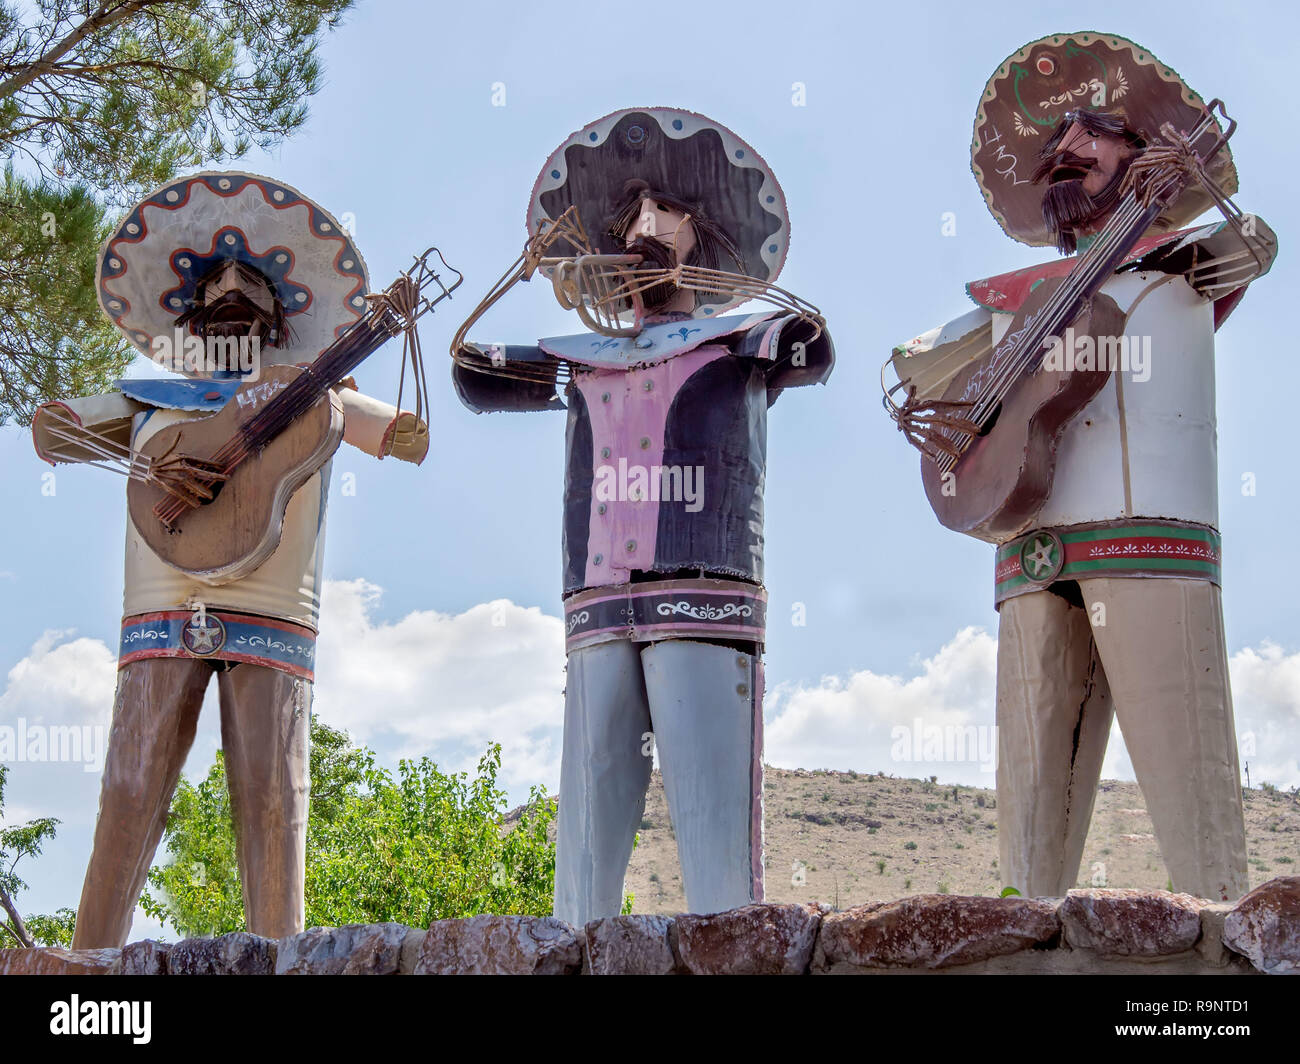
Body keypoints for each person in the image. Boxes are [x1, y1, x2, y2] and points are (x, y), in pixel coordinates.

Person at [886, 33, 1277, 901]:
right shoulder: (1009, 297)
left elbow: (1251, 244)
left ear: (1144, 155)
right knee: (1027, 829)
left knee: (1193, 799)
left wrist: (1195, 184)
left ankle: (1230, 972)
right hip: (1026, 546)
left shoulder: (1179, 262)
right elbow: (920, 365)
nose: (1070, 145)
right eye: (1059, 137)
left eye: (1098, 129)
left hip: (1151, 535)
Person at [451, 108, 834, 925]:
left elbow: (813, 344)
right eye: (631, 219)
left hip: (704, 586)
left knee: (712, 818)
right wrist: (524, 271)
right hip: (594, 598)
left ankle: (730, 944)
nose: (646, 229)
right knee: (587, 817)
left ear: (706, 237)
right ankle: (576, 950)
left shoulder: (743, 336)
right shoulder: (578, 351)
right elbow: (471, 368)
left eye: (668, 216)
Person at [32, 172, 430, 947]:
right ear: (190, 308)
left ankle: (279, 954)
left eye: (250, 290)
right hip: (159, 604)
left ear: (279, 314)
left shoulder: (320, 393)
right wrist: (149, 468)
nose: (232, 299)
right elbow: (54, 430)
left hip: (276, 612)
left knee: (274, 796)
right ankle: (90, 960)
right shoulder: (150, 396)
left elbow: (409, 436)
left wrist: (393, 344)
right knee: (128, 787)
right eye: (216, 288)